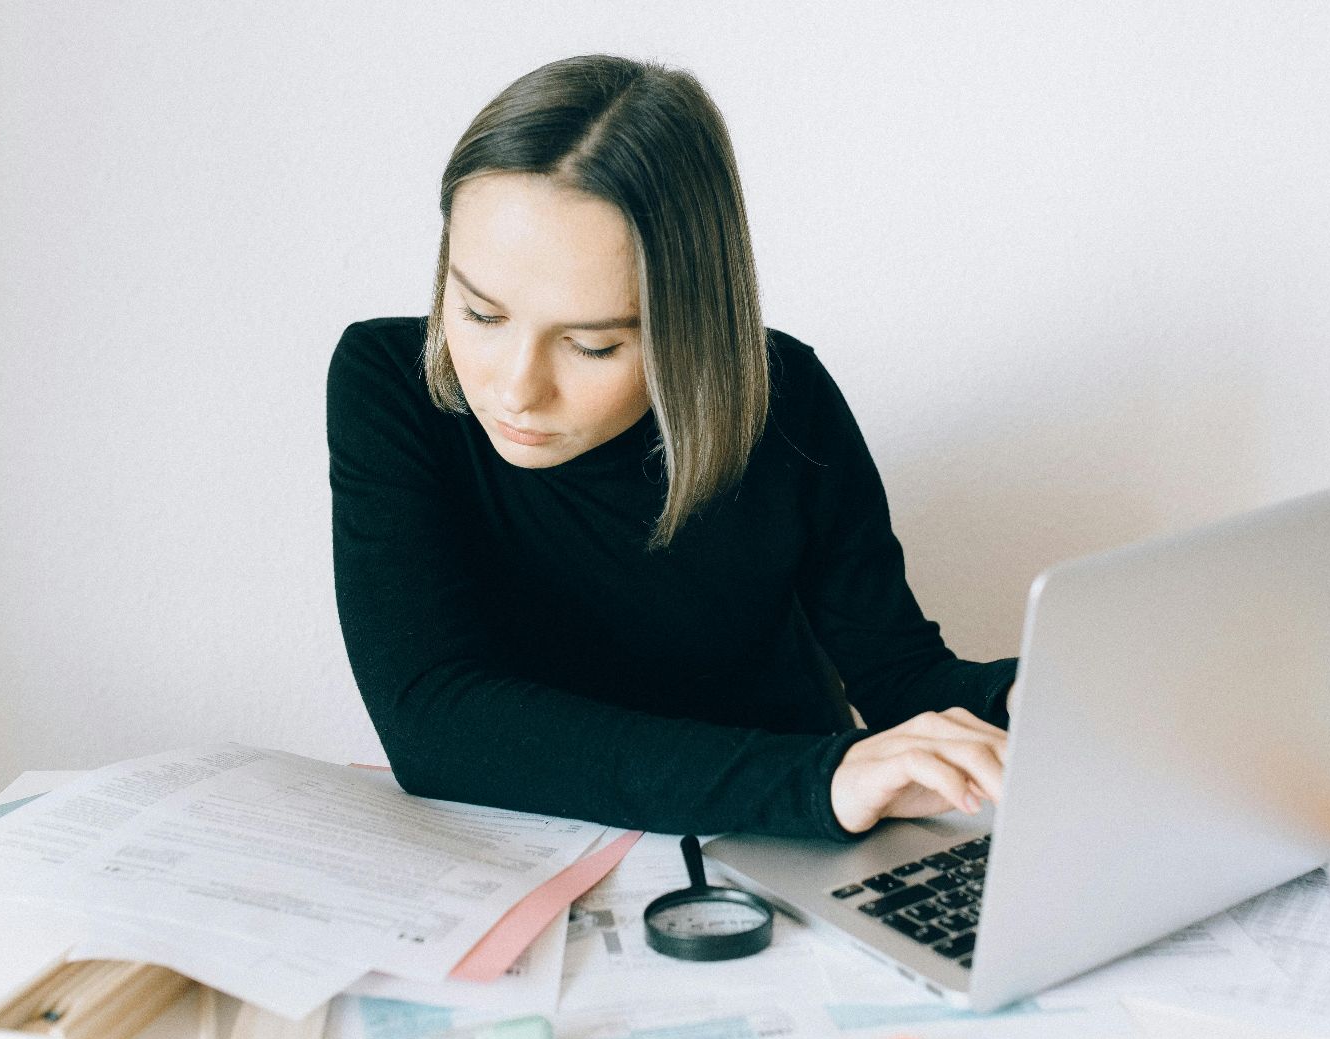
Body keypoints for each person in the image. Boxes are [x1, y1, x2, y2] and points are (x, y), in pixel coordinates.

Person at [328, 53, 1018, 842]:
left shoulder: (784, 397)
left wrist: (1037, 699)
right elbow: (434, 724)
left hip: (778, 848)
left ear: (687, 320)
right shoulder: (387, 383)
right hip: (565, 858)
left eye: (591, 346)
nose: (517, 389)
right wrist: (821, 778)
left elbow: (903, 679)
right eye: (481, 315)